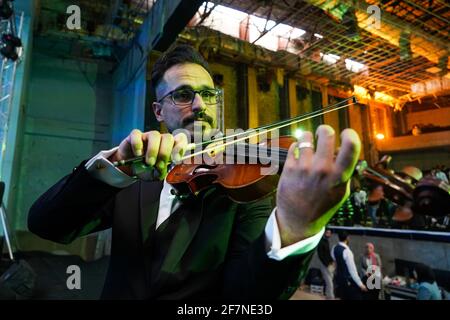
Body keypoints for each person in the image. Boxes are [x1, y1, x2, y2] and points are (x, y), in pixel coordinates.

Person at [27, 44, 361, 299]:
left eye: (208, 95)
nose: (200, 105)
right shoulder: (132, 171)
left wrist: (295, 227)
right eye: (184, 95)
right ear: (159, 110)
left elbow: (246, 297)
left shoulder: (247, 185)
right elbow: (46, 224)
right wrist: (114, 166)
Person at [331, 231, 367, 300]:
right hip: (347, 280)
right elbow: (352, 271)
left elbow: (334, 262)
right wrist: (361, 285)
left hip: (339, 278)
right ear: (347, 238)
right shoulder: (347, 252)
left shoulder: (334, 248)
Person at [317, 228, 335, 299]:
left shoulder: (326, 241)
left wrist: (332, 261)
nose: (328, 234)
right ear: (324, 233)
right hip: (324, 264)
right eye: (327, 232)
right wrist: (327, 264)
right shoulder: (321, 242)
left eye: (329, 233)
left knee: (330, 280)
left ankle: (328, 296)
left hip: (329, 264)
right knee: (329, 281)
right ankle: (331, 297)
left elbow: (328, 254)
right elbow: (321, 255)